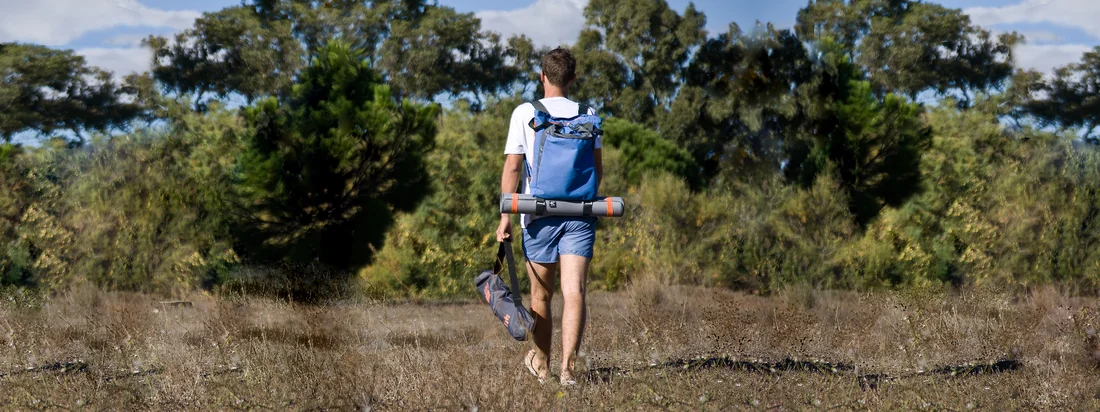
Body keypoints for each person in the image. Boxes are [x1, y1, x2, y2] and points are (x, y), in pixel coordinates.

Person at [495, 47, 602, 386]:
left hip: (538, 216)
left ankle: (543, 367)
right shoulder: (589, 113)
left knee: (541, 295)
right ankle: (568, 371)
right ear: (572, 79)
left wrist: (505, 217)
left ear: (542, 77)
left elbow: (513, 166)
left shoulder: (525, 112)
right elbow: (597, 171)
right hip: (579, 215)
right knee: (576, 292)